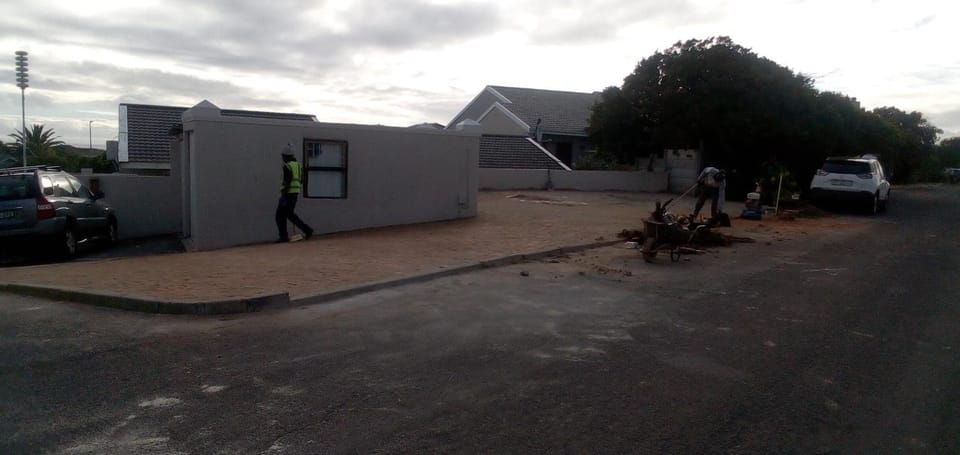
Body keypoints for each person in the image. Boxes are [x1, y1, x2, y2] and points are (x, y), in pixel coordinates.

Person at [275, 143, 313, 243]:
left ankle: (284, 236)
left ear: (286, 156)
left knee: (279, 216)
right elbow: (301, 180)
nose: (282, 158)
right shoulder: (298, 166)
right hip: (295, 193)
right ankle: (307, 230)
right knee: (289, 214)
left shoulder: (287, 166)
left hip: (288, 194)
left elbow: (287, 181)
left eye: (283, 156)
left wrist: (283, 195)